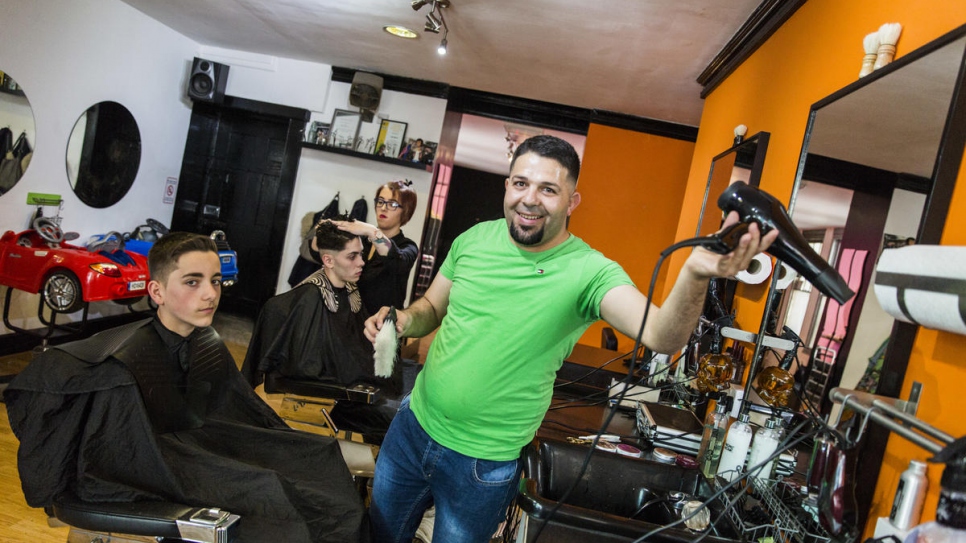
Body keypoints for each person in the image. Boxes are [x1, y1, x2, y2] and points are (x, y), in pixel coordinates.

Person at [363, 135, 778, 543]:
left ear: (571, 201)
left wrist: (695, 273)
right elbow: (432, 309)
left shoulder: (588, 272)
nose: (530, 199)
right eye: (521, 183)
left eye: (548, 189)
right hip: (412, 427)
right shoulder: (473, 240)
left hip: (482, 464)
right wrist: (401, 320)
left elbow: (661, 334)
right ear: (507, 186)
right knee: (379, 534)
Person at [4, 232, 367, 542]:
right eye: (192, 282)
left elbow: (243, 414)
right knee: (272, 493)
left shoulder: (204, 342)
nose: (210, 294)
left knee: (315, 463)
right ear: (156, 291)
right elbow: (129, 459)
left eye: (215, 281)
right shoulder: (126, 368)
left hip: (198, 448)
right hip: (160, 467)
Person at [242, 221, 400, 438]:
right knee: (400, 419)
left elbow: (395, 260)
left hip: (362, 384)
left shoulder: (354, 286)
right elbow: (309, 367)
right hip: (338, 399)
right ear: (328, 260)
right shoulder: (309, 299)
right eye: (352, 256)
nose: (361, 263)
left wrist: (370, 231)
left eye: (361, 255)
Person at [330, 180, 419, 315]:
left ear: (405, 211)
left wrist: (372, 231)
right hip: (347, 320)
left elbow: (397, 261)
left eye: (392, 204)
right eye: (381, 201)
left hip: (379, 327)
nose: (383, 208)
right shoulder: (361, 240)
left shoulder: (408, 246)